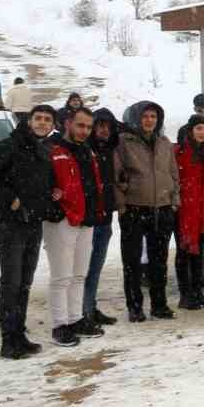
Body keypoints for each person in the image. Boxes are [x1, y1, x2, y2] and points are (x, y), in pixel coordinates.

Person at [0, 105, 60, 357]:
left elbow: (40, 184)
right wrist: (9, 200)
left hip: (33, 224)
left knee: (25, 283)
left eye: (47, 120)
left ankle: (19, 335)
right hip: (9, 225)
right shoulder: (7, 146)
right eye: (38, 118)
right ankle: (8, 341)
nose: (42, 123)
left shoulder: (44, 150)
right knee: (11, 283)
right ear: (29, 121)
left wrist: (52, 194)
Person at [45, 107, 108, 345]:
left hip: (86, 218)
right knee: (61, 276)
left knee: (79, 274)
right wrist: (53, 204)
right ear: (68, 123)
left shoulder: (86, 150)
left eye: (88, 127)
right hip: (62, 219)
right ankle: (60, 325)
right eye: (80, 125)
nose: (85, 131)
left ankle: (76, 318)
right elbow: (41, 181)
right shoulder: (52, 149)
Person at [115, 100, 180, 320]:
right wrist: (122, 205)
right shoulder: (124, 142)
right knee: (132, 261)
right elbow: (116, 174)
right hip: (134, 207)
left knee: (159, 260)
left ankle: (159, 305)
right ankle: (135, 307)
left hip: (161, 208)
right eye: (145, 116)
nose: (149, 120)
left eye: (153, 116)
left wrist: (174, 201)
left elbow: (173, 174)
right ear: (136, 118)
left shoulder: (164, 142)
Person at [172, 116, 204, 310]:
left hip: (201, 211)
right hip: (184, 210)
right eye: (198, 128)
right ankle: (185, 294)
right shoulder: (180, 151)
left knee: (198, 253)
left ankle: (197, 290)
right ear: (191, 130)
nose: (202, 132)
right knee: (183, 252)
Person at [83, 108, 122, 325]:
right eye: (100, 125)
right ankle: (82, 312)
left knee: (96, 267)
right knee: (83, 269)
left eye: (108, 126)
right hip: (88, 219)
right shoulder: (85, 149)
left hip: (105, 217)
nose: (104, 130)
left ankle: (90, 306)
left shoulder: (110, 149)